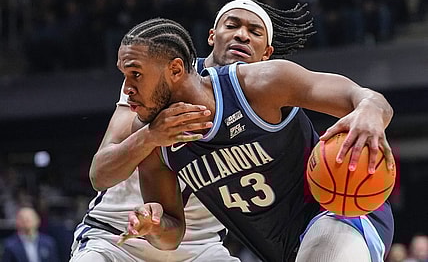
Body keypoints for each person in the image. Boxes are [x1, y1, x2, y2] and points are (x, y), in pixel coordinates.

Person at [117, 16, 395, 262]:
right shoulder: (151, 137)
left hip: (338, 214)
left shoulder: (260, 84)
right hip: (280, 251)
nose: (127, 89)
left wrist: (370, 110)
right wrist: (153, 226)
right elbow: (172, 233)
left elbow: (362, 97)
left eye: (135, 75)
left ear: (176, 70)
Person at [70, 0, 315, 262]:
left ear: (267, 53)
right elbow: (101, 172)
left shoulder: (264, 102)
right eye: (232, 25)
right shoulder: (161, 79)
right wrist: (151, 136)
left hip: (200, 247)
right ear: (212, 35)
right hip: (116, 237)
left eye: (254, 32)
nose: (241, 36)